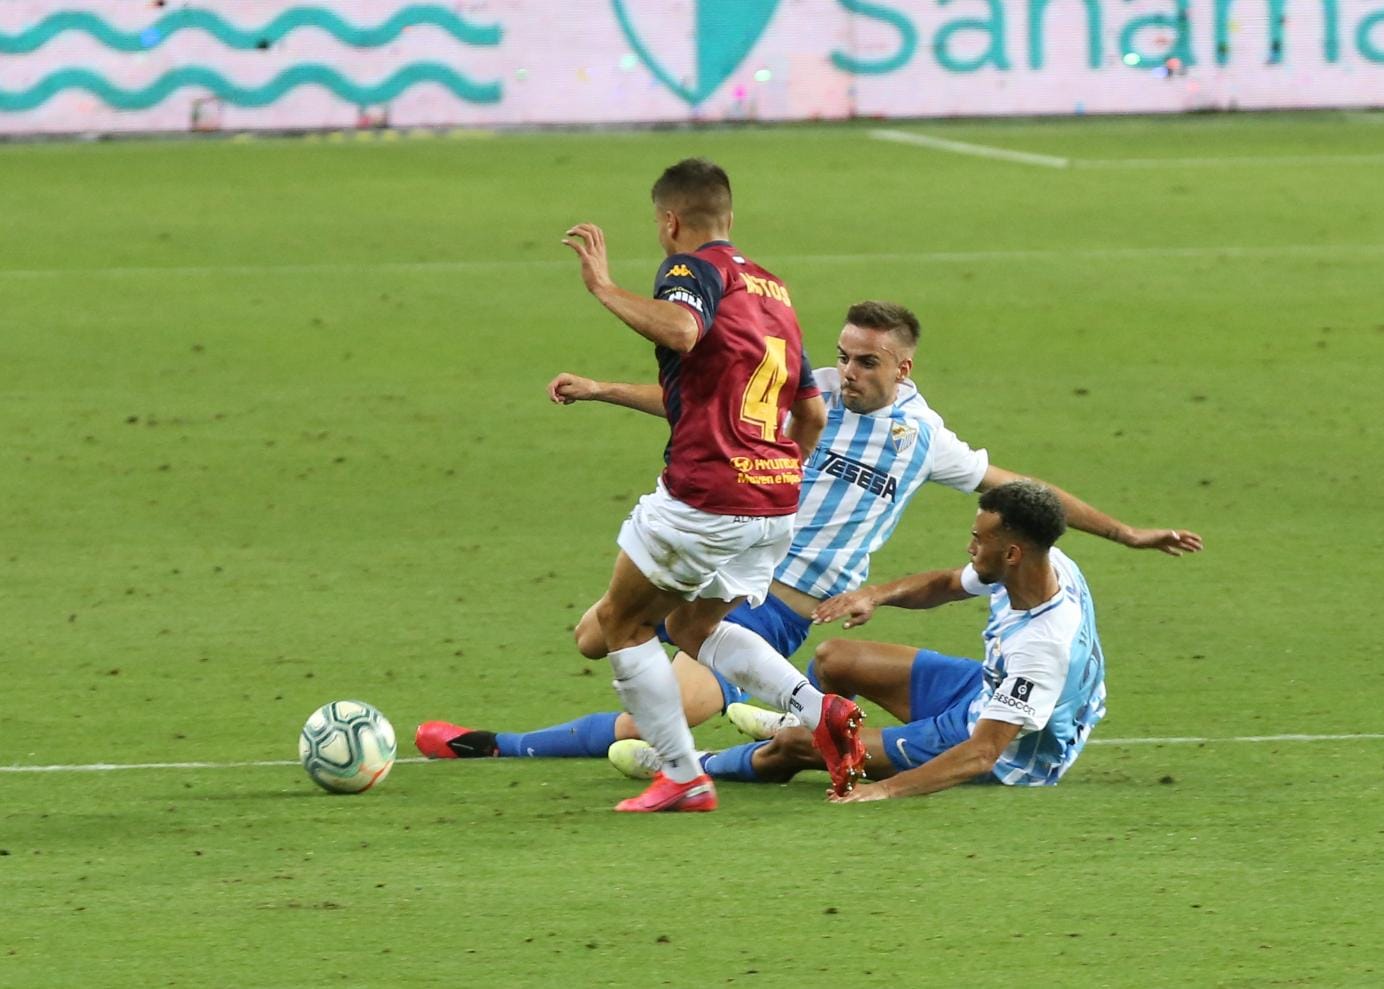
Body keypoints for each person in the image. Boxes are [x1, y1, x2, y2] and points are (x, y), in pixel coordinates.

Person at [416, 301, 1200, 781]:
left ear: (903, 364)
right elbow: (699, 409)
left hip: (776, 603)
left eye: (865, 361)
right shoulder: (808, 388)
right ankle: (763, 715)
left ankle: (500, 746)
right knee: (593, 637)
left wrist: (1125, 532)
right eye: (843, 354)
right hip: (710, 555)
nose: (847, 371)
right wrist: (601, 389)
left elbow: (1024, 492)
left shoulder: (921, 438)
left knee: (666, 710)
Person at [497, 156, 864, 813]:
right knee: (693, 623)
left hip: (707, 494)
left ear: (670, 222)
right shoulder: (774, 292)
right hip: (775, 500)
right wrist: (774, 469)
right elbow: (807, 413)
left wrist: (604, 286)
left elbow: (683, 330)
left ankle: (683, 774)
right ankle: (820, 709)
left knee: (622, 622)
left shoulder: (690, 270)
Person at [645, 479, 1107, 800]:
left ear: (1011, 553)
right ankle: (801, 722)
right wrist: (873, 595)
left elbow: (984, 752)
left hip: (1007, 752)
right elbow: (947, 583)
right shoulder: (1043, 564)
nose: (969, 547)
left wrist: (884, 789)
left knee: (796, 750)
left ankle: (692, 763)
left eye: (977, 540)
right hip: (985, 692)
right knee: (834, 659)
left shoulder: (1042, 647)